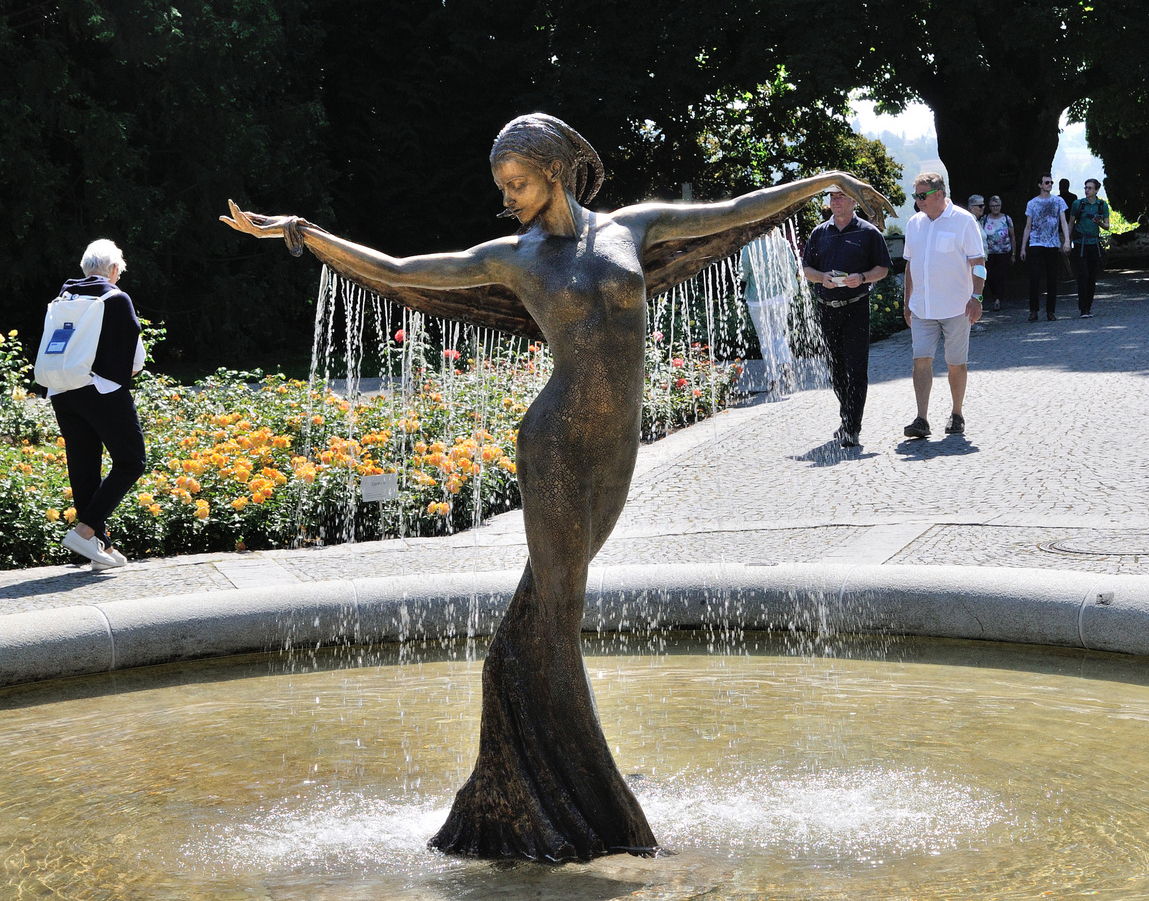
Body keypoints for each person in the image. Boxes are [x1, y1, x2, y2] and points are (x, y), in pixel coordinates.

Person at [223, 114, 885, 859]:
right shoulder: (513, 257)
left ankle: (531, 780)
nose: (508, 199)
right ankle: (593, 805)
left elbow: (736, 212)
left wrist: (826, 181)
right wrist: (304, 232)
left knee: (543, 612)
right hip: (557, 444)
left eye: (519, 183)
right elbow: (404, 272)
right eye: (502, 187)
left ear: (556, 171)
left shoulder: (633, 228)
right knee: (558, 614)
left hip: (615, 446)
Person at [49, 239, 147, 568]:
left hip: (62, 389)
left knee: (84, 466)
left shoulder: (64, 298)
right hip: (100, 390)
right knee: (131, 461)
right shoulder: (115, 299)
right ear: (114, 269)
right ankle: (85, 531)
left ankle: (98, 546)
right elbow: (135, 360)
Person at [803, 183, 892, 446]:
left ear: (855, 202)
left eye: (841, 197)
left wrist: (862, 277)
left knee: (856, 369)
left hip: (856, 305)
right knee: (836, 371)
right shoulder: (819, 233)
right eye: (832, 197)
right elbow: (807, 268)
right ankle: (847, 418)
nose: (836, 201)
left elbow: (883, 268)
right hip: (827, 308)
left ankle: (852, 426)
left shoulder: (868, 233)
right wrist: (822, 278)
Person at [901, 172, 985, 438]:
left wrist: (977, 297)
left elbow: (979, 264)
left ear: (939, 194)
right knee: (920, 360)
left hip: (957, 308)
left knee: (955, 363)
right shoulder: (914, 223)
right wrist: (907, 303)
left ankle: (957, 413)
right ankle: (921, 419)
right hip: (922, 308)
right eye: (915, 196)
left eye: (922, 195)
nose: (918, 201)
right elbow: (909, 266)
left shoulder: (963, 221)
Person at [739, 228, 801, 395]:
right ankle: (787, 367)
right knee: (778, 334)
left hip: (756, 299)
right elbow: (792, 266)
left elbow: (744, 272)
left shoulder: (749, 246)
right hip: (780, 296)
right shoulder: (781, 243)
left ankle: (773, 378)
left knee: (765, 339)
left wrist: (740, 289)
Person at [1021, 173, 1071, 321]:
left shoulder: (1058, 201)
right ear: (1040, 185)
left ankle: (1051, 311)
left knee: (1052, 278)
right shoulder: (1032, 203)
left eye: (1051, 182)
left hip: (1052, 244)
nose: (1049, 185)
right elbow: (1028, 226)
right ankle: (1033, 310)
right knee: (1034, 277)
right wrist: (1023, 247)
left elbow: (1063, 222)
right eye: (1047, 182)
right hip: (1036, 243)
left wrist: (1067, 240)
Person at [1070, 179, 1110, 317]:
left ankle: (1089, 306)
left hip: (1094, 243)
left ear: (1096, 190)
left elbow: (1107, 226)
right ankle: (1083, 309)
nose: (1087, 190)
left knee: (1092, 276)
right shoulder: (1078, 204)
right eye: (1086, 187)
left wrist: (1099, 223)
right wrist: (1067, 242)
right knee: (1083, 275)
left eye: (1090, 188)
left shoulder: (1102, 205)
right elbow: (1071, 222)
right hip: (1080, 243)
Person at [979, 194, 1016, 311]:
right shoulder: (984, 219)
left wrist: (1014, 254)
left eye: (998, 206)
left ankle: (998, 299)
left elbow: (1012, 236)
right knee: (989, 276)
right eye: (993, 206)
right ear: (989, 207)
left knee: (1001, 276)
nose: (995, 208)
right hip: (989, 252)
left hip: (1004, 251)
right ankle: (994, 295)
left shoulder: (1007, 219)